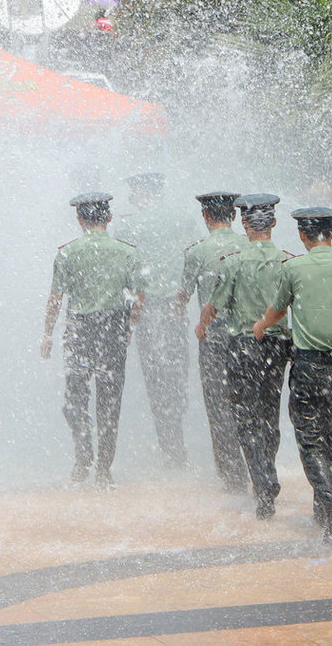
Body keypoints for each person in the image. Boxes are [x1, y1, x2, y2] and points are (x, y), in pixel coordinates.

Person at [254, 207, 332, 543]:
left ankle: (330, 497)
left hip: (309, 366)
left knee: (310, 439)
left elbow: (278, 309)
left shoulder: (294, 267)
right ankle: (327, 510)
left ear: (302, 235)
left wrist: (262, 325)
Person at [197, 194, 291, 520]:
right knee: (269, 411)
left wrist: (201, 325)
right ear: (274, 224)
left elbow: (214, 304)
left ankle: (262, 478)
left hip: (242, 347)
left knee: (245, 416)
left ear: (245, 224)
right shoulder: (287, 262)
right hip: (277, 347)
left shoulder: (233, 261)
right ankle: (269, 467)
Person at [41, 192, 142, 490]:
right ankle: (104, 468)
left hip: (79, 330)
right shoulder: (127, 253)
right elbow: (138, 299)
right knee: (110, 401)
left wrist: (47, 335)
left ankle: (83, 451)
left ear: (80, 219)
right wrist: (129, 327)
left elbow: (55, 299)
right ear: (109, 218)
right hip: (112, 328)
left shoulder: (68, 253)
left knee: (75, 397)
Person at [115, 172, 198, 468]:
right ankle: (178, 433)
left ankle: (170, 444)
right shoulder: (183, 218)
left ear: (140, 193)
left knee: (155, 376)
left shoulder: (127, 225)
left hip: (146, 308)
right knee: (177, 371)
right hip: (177, 306)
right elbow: (194, 256)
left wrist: (127, 321)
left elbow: (123, 271)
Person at [178, 191, 249, 492]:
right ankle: (258, 464)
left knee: (219, 405)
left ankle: (232, 476)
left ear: (205, 217)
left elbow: (181, 297)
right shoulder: (250, 246)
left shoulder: (196, 253)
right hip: (248, 335)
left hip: (213, 336)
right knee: (249, 401)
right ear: (233, 216)